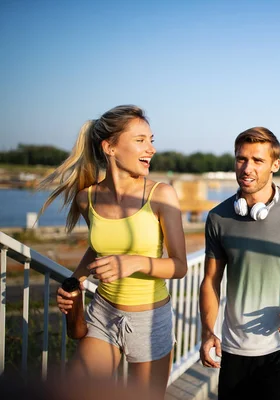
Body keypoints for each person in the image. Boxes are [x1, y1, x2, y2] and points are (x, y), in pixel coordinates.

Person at [38, 105, 188, 399]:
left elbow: (180, 266)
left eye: (151, 139)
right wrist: (74, 281)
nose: (152, 149)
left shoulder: (161, 194)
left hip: (149, 320)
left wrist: (134, 262)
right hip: (103, 314)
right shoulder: (87, 198)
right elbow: (98, 248)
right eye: (140, 140)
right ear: (110, 147)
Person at [199, 127, 280, 400]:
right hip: (235, 351)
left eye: (257, 160)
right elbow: (211, 279)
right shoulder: (217, 217)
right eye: (241, 159)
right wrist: (207, 331)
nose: (247, 168)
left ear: (275, 165)